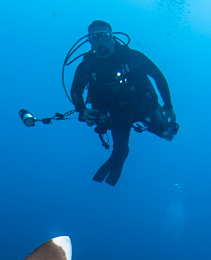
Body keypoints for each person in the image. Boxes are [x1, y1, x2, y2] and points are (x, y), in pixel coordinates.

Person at [70, 20, 177, 186]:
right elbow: (76, 90)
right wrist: (82, 109)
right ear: (90, 42)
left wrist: (168, 106)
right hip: (115, 114)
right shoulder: (87, 66)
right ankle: (118, 157)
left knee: (167, 134)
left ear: (112, 37)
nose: (100, 42)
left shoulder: (132, 57)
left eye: (104, 36)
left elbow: (158, 76)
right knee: (119, 149)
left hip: (143, 107)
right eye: (94, 38)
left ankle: (162, 123)